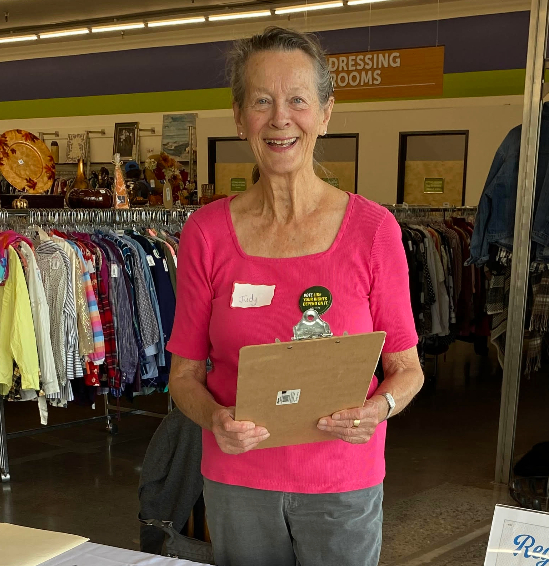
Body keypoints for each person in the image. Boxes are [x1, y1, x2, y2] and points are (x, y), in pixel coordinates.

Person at [166, 27, 423, 566]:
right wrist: (215, 420)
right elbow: (184, 377)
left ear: (325, 113)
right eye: (262, 101)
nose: (280, 118)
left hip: (341, 484)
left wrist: (378, 408)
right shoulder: (206, 233)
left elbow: (408, 369)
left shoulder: (373, 231)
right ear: (240, 118)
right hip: (238, 484)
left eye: (298, 100)